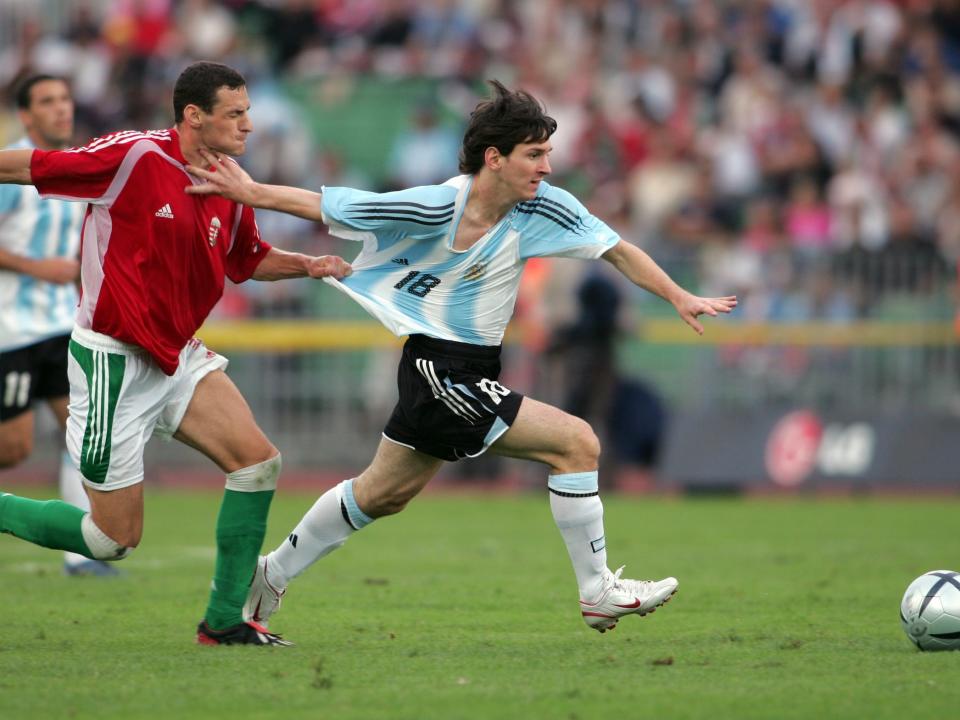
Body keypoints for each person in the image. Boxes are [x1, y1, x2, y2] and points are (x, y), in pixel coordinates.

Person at [187, 80, 736, 634]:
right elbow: (336, 204)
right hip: (436, 370)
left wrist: (679, 296)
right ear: (494, 159)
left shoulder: (544, 207)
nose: (547, 166)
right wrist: (251, 192)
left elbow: (618, 250)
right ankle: (598, 592)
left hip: (467, 370)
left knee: (383, 493)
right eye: (534, 154)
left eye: (547, 152)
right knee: (577, 443)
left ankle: (269, 575)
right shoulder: (437, 205)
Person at [0, 61, 351, 646]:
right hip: (112, 359)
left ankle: (224, 622)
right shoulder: (135, 157)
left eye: (247, 112)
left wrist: (307, 265)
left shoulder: (233, 180)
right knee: (110, 540)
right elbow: (32, 166)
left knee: (258, 462)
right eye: (235, 114)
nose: (249, 125)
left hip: (177, 355)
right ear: (194, 116)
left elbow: (246, 259)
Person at [0, 74, 117, 577]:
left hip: (62, 327)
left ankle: (80, 555)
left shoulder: (77, 167)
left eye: (66, 99)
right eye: (47, 101)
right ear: (26, 115)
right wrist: (34, 268)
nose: (60, 109)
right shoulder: (12, 169)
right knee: (16, 448)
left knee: (84, 431)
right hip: (10, 330)